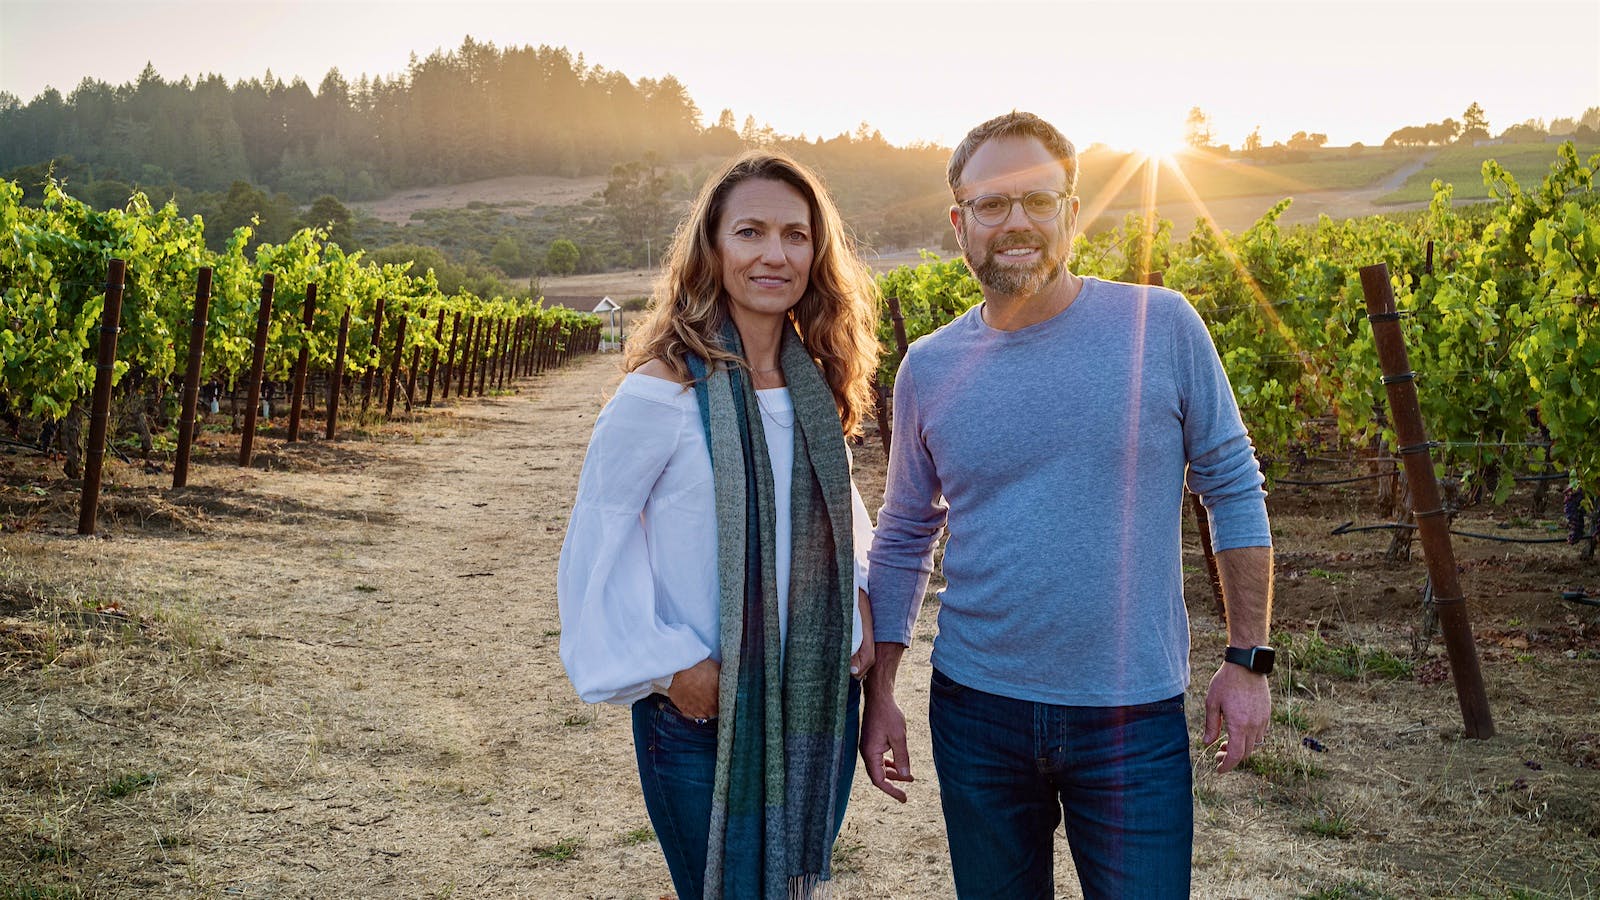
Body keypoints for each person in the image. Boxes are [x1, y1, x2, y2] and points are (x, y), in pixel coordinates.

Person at [860, 112, 1276, 898]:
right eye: (991, 204)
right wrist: (880, 691)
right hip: (977, 712)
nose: (1015, 221)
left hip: (1131, 716)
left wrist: (1248, 658)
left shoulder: (1164, 327)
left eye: (1038, 200)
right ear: (959, 223)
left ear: (1072, 213)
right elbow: (906, 532)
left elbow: (1232, 484)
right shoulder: (929, 366)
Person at [558, 150, 882, 899]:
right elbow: (596, 546)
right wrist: (672, 671)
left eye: (796, 235)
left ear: (817, 252)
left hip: (813, 700)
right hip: (704, 711)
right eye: (751, 232)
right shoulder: (661, 392)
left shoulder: (813, 386)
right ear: (713, 249)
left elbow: (842, 521)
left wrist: (857, 598)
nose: (775, 254)